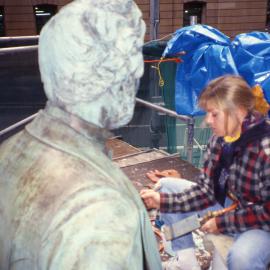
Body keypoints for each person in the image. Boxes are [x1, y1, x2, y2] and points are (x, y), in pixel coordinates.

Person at [0, 1, 162, 269]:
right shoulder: (100, 214)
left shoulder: (9, 150)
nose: (137, 70)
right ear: (84, 70)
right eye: (127, 56)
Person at [141, 75, 270, 270]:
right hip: (232, 207)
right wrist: (160, 200)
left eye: (214, 114)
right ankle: (186, 263)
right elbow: (206, 191)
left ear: (239, 111)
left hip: (261, 225)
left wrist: (223, 222)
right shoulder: (220, 139)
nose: (208, 120)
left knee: (242, 258)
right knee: (167, 187)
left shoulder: (265, 148)